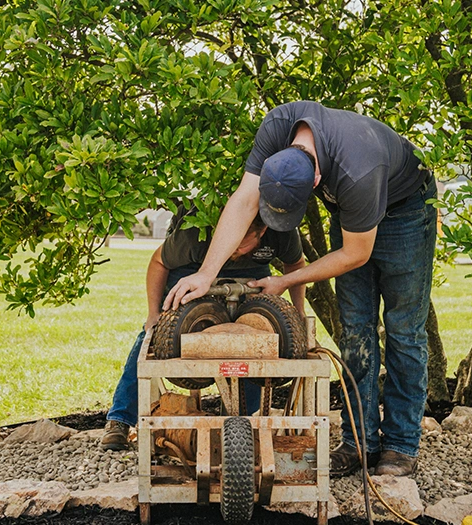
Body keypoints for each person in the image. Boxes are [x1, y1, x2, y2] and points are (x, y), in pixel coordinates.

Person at [164, 101, 437, 477]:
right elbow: (244, 199)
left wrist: (286, 280)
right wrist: (206, 273)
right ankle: (359, 443)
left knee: (404, 331)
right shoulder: (278, 126)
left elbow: (356, 254)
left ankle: (400, 446)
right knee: (356, 329)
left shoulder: (358, 169)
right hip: (353, 211)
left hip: (405, 210)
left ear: (314, 182)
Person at [101, 205, 305, 450]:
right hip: (193, 267)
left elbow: (295, 264)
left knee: (257, 339)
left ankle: (241, 418)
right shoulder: (194, 232)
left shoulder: (280, 228)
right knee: (152, 337)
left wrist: (299, 311)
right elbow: (158, 262)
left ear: (262, 232)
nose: (234, 250)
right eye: (232, 241)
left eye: (242, 244)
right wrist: (154, 314)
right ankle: (120, 419)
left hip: (251, 272)